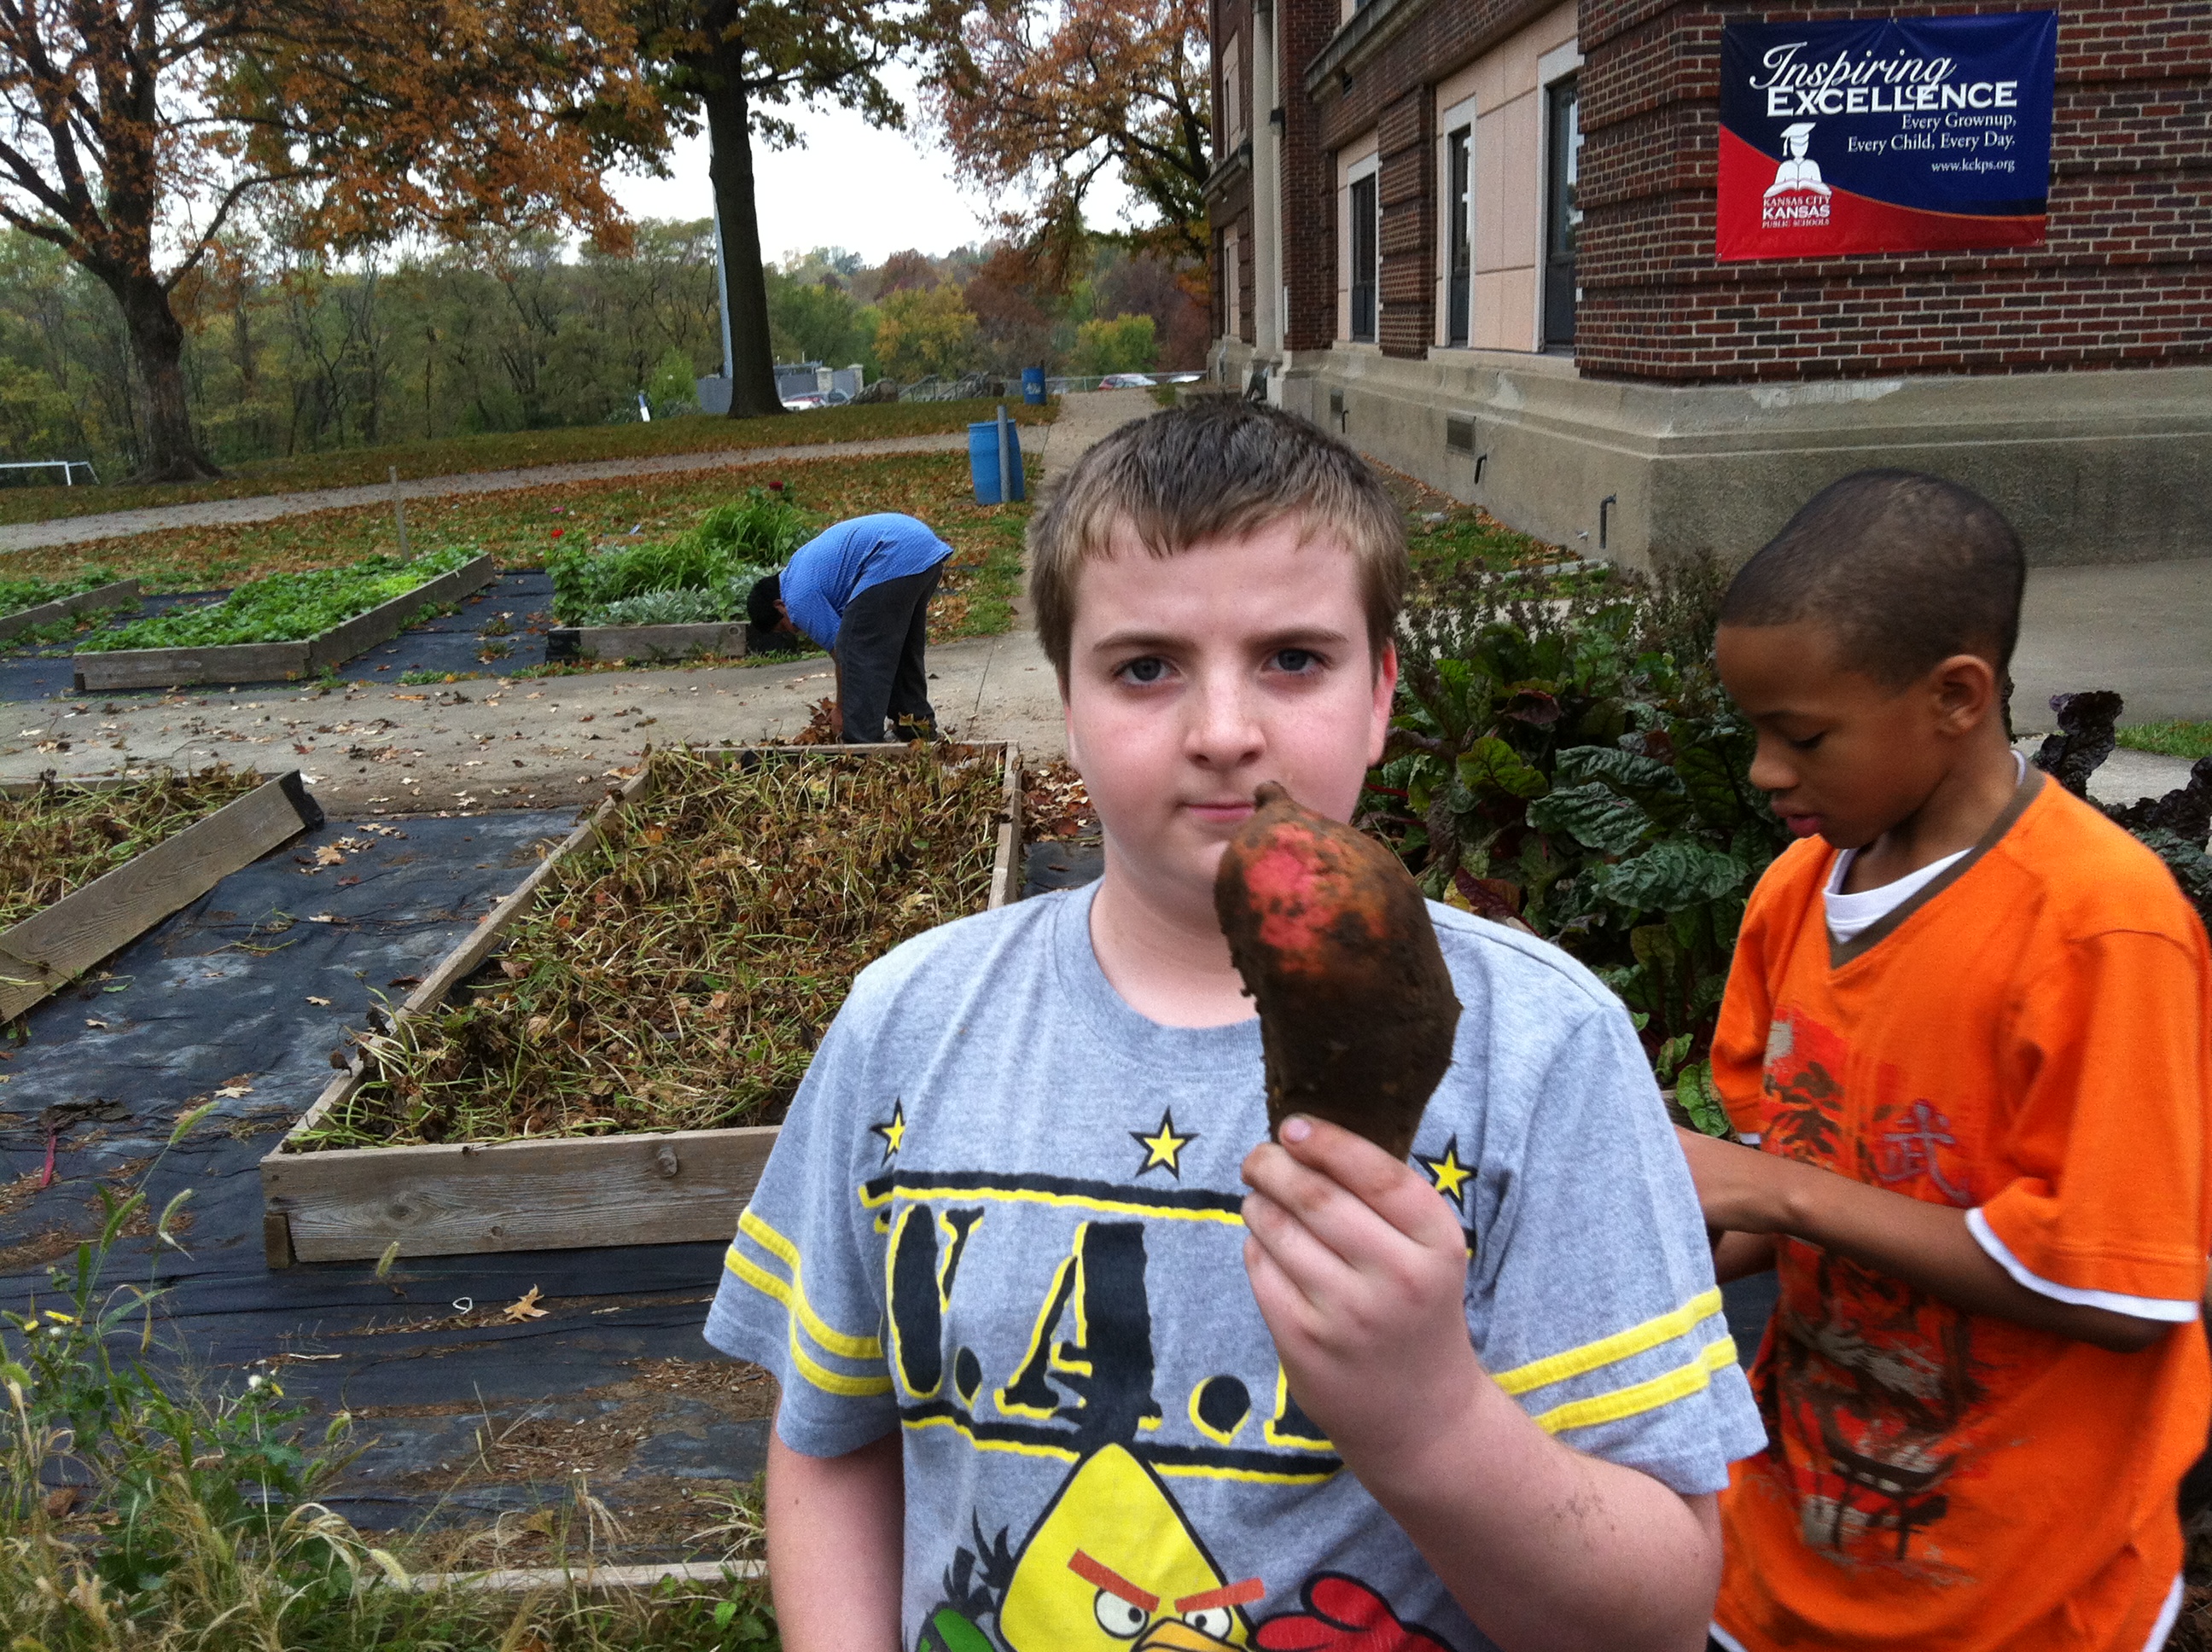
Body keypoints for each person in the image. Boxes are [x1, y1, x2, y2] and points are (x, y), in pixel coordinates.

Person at [704, 399, 1762, 1652]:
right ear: (1067, 701)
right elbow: (832, 1440)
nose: (1222, 733)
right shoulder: (910, 1024)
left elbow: (1656, 1616)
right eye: (1145, 667)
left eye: (1294, 659)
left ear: (1381, 695)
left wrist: (1432, 1423)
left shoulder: (1541, 1050)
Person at [1679, 470, 2212, 1652]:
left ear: (1957, 697)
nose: (1765, 770)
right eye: (1755, 732)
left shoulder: (2102, 926)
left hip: (2022, 1595)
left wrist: (1770, 1191)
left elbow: (2120, 1290)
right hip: (1785, 1555)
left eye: (1802, 736)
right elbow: (1798, 1172)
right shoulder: (1795, 893)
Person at [748, 511, 953, 742]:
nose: (794, 630)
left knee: (857, 650)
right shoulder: (799, 569)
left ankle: (861, 743)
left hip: (892, 556)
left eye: (784, 627)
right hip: (923, 550)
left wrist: (841, 711)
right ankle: (916, 729)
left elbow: (842, 652)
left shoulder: (796, 599)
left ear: (779, 606)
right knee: (903, 649)